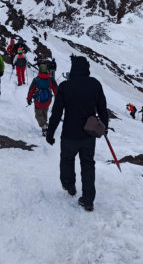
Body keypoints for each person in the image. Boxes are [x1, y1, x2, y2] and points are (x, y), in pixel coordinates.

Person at [46, 55, 108, 212]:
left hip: (69, 134)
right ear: (87, 68)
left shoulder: (65, 86)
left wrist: (50, 132)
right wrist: (104, 127)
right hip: (89, 134)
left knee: (67, 161)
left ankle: (69, 186)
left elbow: (56, 113)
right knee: (88, 165)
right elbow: (102, 109)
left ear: (73, 69)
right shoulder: (95, 84)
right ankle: (88, 200)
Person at [27, 66, 58, 135]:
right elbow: (56, 90)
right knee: (44, 112)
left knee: (38, 115)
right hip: (48, 100)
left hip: (38, 101)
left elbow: (31, 90)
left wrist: (29, 99)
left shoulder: (36, 80)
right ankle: (45, 127)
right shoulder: (51, 79)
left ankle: (44, 127)